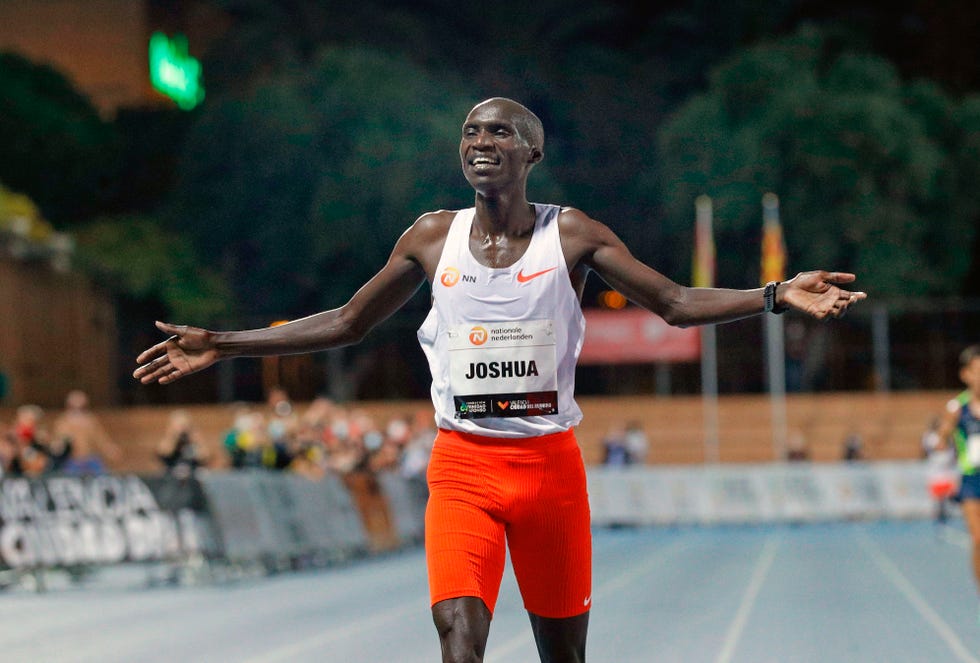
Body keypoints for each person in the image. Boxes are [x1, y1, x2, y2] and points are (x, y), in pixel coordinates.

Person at [133, 97, 867, 662]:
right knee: (459, 634)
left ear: (533, 152)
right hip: (463, 468)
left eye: (500, 133)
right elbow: (348, 321)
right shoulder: (429, 236)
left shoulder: (571, 233)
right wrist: (222, 343)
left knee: (563, 654)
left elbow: (674, 302)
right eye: (471, 134)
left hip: (550, 472)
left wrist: (773, 294)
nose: (481, 143)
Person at [935, 346, 980, 611]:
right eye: (977, 371)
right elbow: (940, 442)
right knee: (978, 539)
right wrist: (944, 433)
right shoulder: (957, 408)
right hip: (971, 480)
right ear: (966, 375)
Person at [51, 389, 121, 475]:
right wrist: (58, 445)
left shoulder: (90, 420)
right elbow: (60, 439)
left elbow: (100, 438)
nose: (78, 409)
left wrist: (109, 449)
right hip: (73, 460)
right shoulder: (63, 421)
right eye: (74, 405)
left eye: (81, 406)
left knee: (102, 475)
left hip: (90, 458)